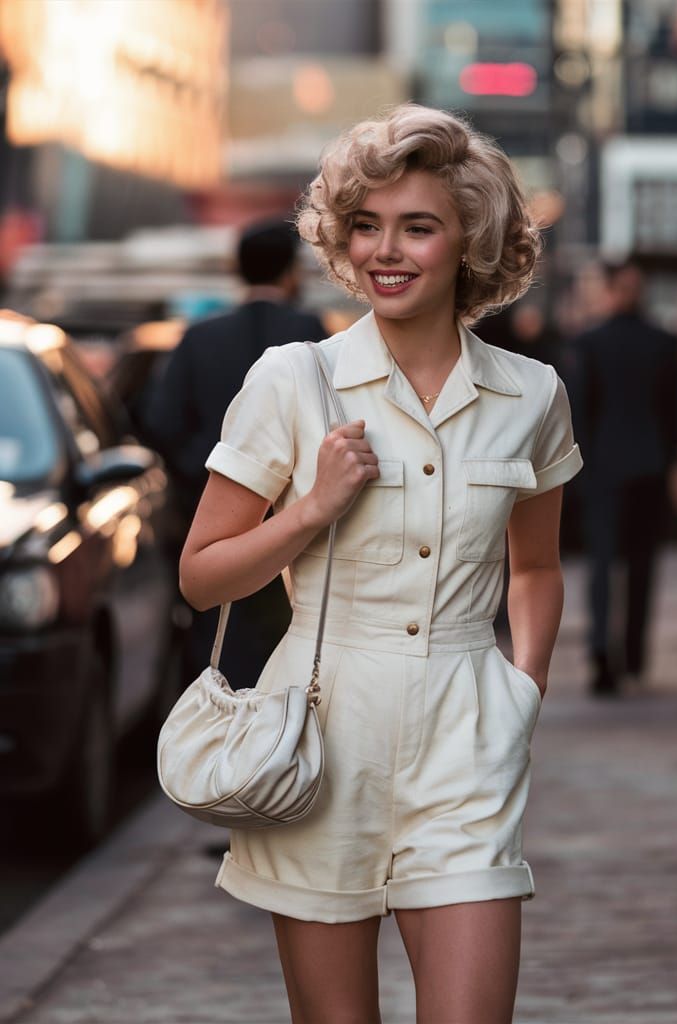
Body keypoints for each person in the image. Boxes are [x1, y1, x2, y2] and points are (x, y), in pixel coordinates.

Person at [179, 105, 582, 1023]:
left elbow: (539, 567)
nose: (384, 251)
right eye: (365, 225)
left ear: (469, 241)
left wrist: (525, 687)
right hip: (321, 741)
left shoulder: (531, 394)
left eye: (417, 225)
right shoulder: (292, 380)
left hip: (467, 738)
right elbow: (201, 575)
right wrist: (312, 510)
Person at [146, 219, 326, 687]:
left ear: (237, 270)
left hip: (208, 521)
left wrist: (202, 477)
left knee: (216, 643)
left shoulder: (200, 336)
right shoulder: (309, 332)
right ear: (290, 272)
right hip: (296, 521)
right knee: (291, 642)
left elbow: (161, 422)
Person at [570, 259, 677, 696]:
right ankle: (634, 657)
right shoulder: (665, 342)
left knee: (601, 565)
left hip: (602, 468)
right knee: (642, 566)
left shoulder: (587, 343)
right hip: (652, 466)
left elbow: (581, 412)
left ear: (609, 289)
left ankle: (602, 652)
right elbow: (675, 414)